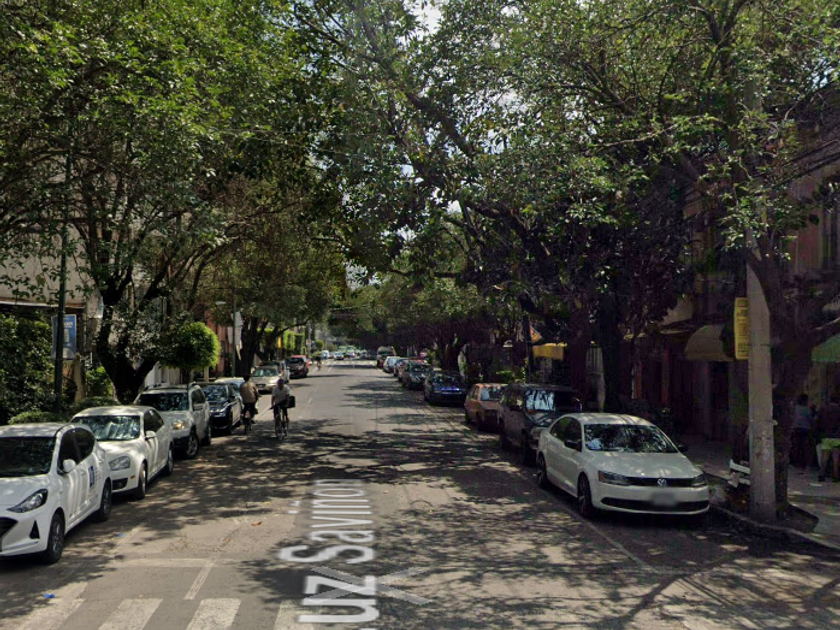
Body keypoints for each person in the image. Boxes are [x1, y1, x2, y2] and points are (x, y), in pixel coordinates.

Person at [816, 395, 840, 482]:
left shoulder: (823, 409)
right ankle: (835, 476)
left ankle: (821, 475)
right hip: (837, 437)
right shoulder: (839, 410)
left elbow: (817, 421)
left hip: (825, 436)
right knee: (836, 459)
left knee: (824, 458)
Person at [791, 394, 814, 467]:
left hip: (796, 429)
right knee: (805, 446)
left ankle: (795, 461)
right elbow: (811, 420)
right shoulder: (807, 409)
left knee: (796, 445)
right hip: (805, 430)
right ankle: (803, 462)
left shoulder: (795, 408)